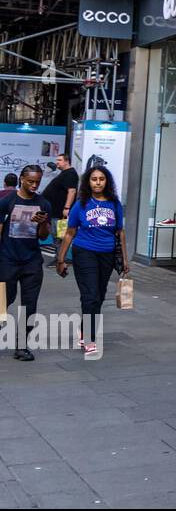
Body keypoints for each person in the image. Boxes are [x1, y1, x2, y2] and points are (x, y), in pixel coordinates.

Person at [54, 166, 129, 357]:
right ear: (88, 181)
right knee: (90, 296)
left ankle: (84, 328)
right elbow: (70, 233)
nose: (98, 182)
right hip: (84, 252)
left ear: (107, 182)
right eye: (94, 179)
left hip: (108, 255)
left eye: (101, 179)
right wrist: (60, 259)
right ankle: (89, 338)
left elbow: (120, 232)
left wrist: (125, 260)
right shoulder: (81, 204)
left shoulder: (114, 204)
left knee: (100, 296)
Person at [0, 165, 52, 360]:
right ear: (22, 179)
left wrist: (42, 223)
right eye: (30, 181)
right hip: (7, 259)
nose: (34, 185)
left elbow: (44, 236)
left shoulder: (44, 204)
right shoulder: (7, 202)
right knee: (4, 300)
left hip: (31, 261)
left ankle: (22, 345)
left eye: (37, 181)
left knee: (29, 305)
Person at [40, 154, 79, 234]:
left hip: (60, 214)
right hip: (55, 213)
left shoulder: (70, 173)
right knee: (56, 237)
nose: (57, 162)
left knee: (59, 237)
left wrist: (66, 208)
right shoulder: (65, 173)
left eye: (59, 160)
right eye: (57, 160)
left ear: (67, 161)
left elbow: (72, 191)